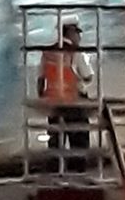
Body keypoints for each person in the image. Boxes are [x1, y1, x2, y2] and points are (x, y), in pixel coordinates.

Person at [38, 22, 94, 172]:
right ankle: (77, 172)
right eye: (77, 33)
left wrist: (44, 99)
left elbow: (41, 78)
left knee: (55, 138)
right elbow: (88, 76)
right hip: (74, 103)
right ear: (70, 33)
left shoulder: (47, 52)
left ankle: (55, 170)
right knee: (79, 139)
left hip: (54, 103)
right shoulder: (77, 52)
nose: (79, 37)